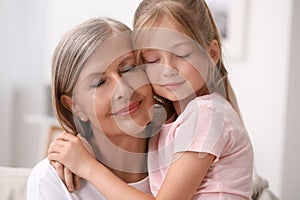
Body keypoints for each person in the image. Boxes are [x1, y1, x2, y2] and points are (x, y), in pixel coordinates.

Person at [48, 0, 254, 199]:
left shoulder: (206, 116)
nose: (168, 70)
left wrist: (87, 167)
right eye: (153, 60)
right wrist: (74, 146)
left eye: (182, 54)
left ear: (212, 54)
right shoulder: (168, 123)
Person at [26, 17, 160, 199]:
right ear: (74, 107)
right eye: (99, 83)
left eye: (128, 69)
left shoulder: (187, 153)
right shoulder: (52, 181)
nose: (123, 90)